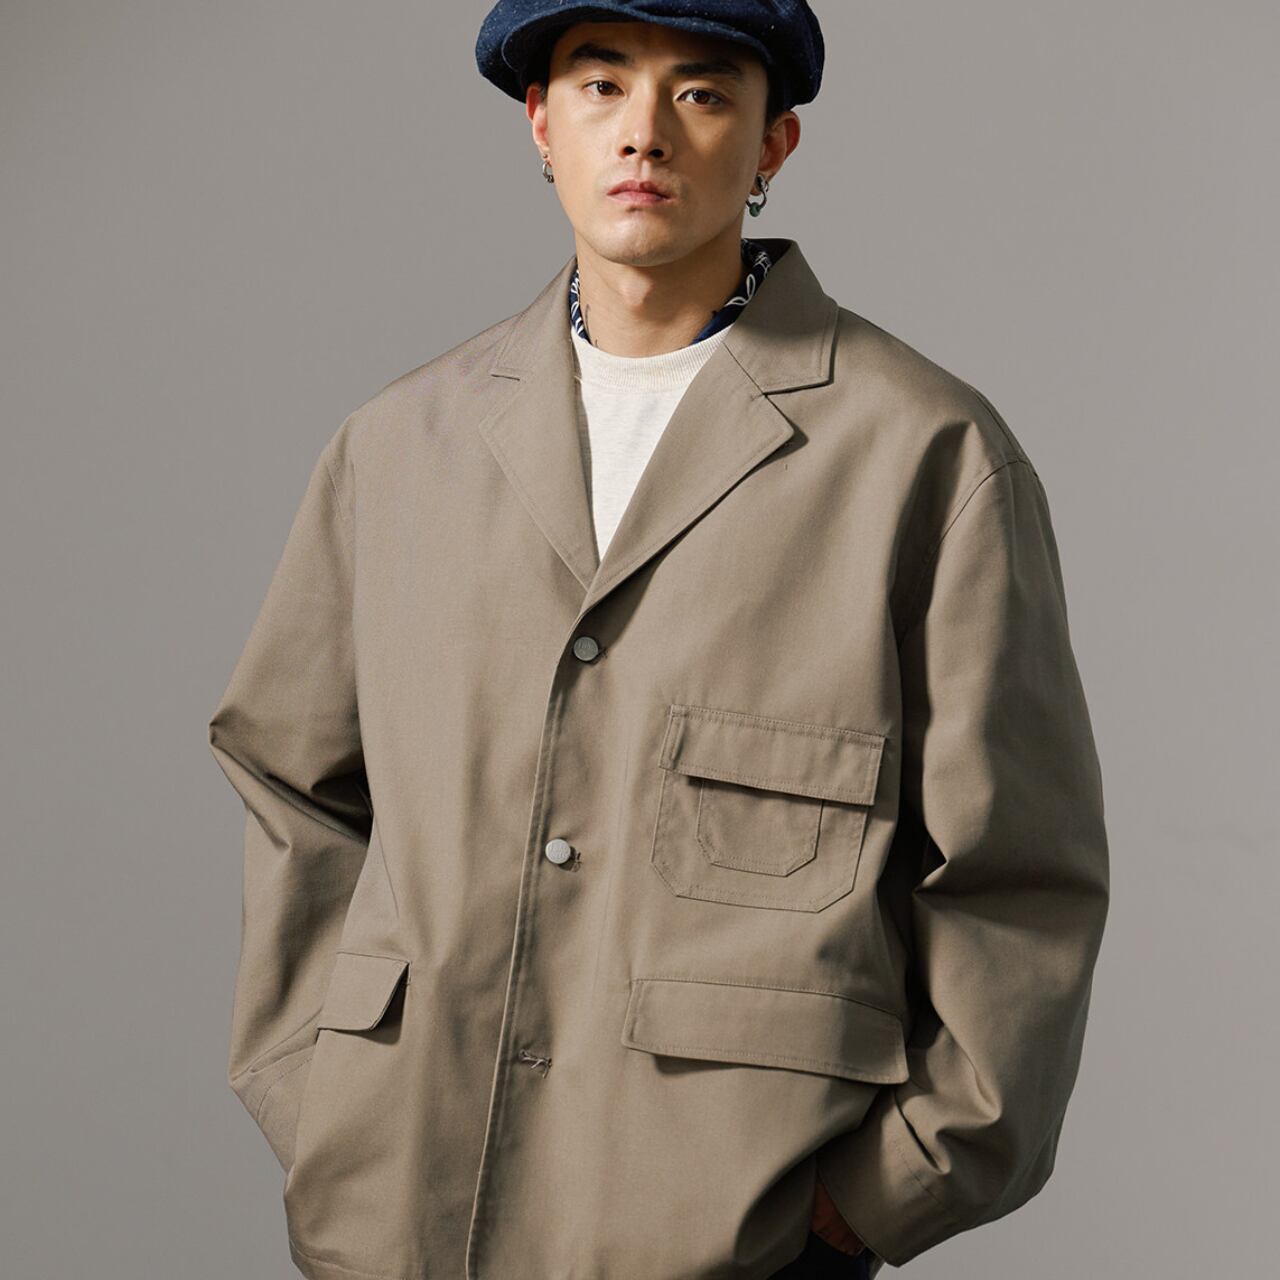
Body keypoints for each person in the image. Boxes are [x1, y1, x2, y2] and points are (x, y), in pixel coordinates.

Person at [207, 3, 1110, 1277]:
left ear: (772, 143)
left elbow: (1019, 872)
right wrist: (323, 1097)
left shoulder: (926, 457)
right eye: (598, 85)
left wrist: (879, 1192)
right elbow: (288, 778)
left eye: (700, 93)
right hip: (403, 1212)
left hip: (731, 1235)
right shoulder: (396, 449)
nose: (643, 132)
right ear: (539, 124)